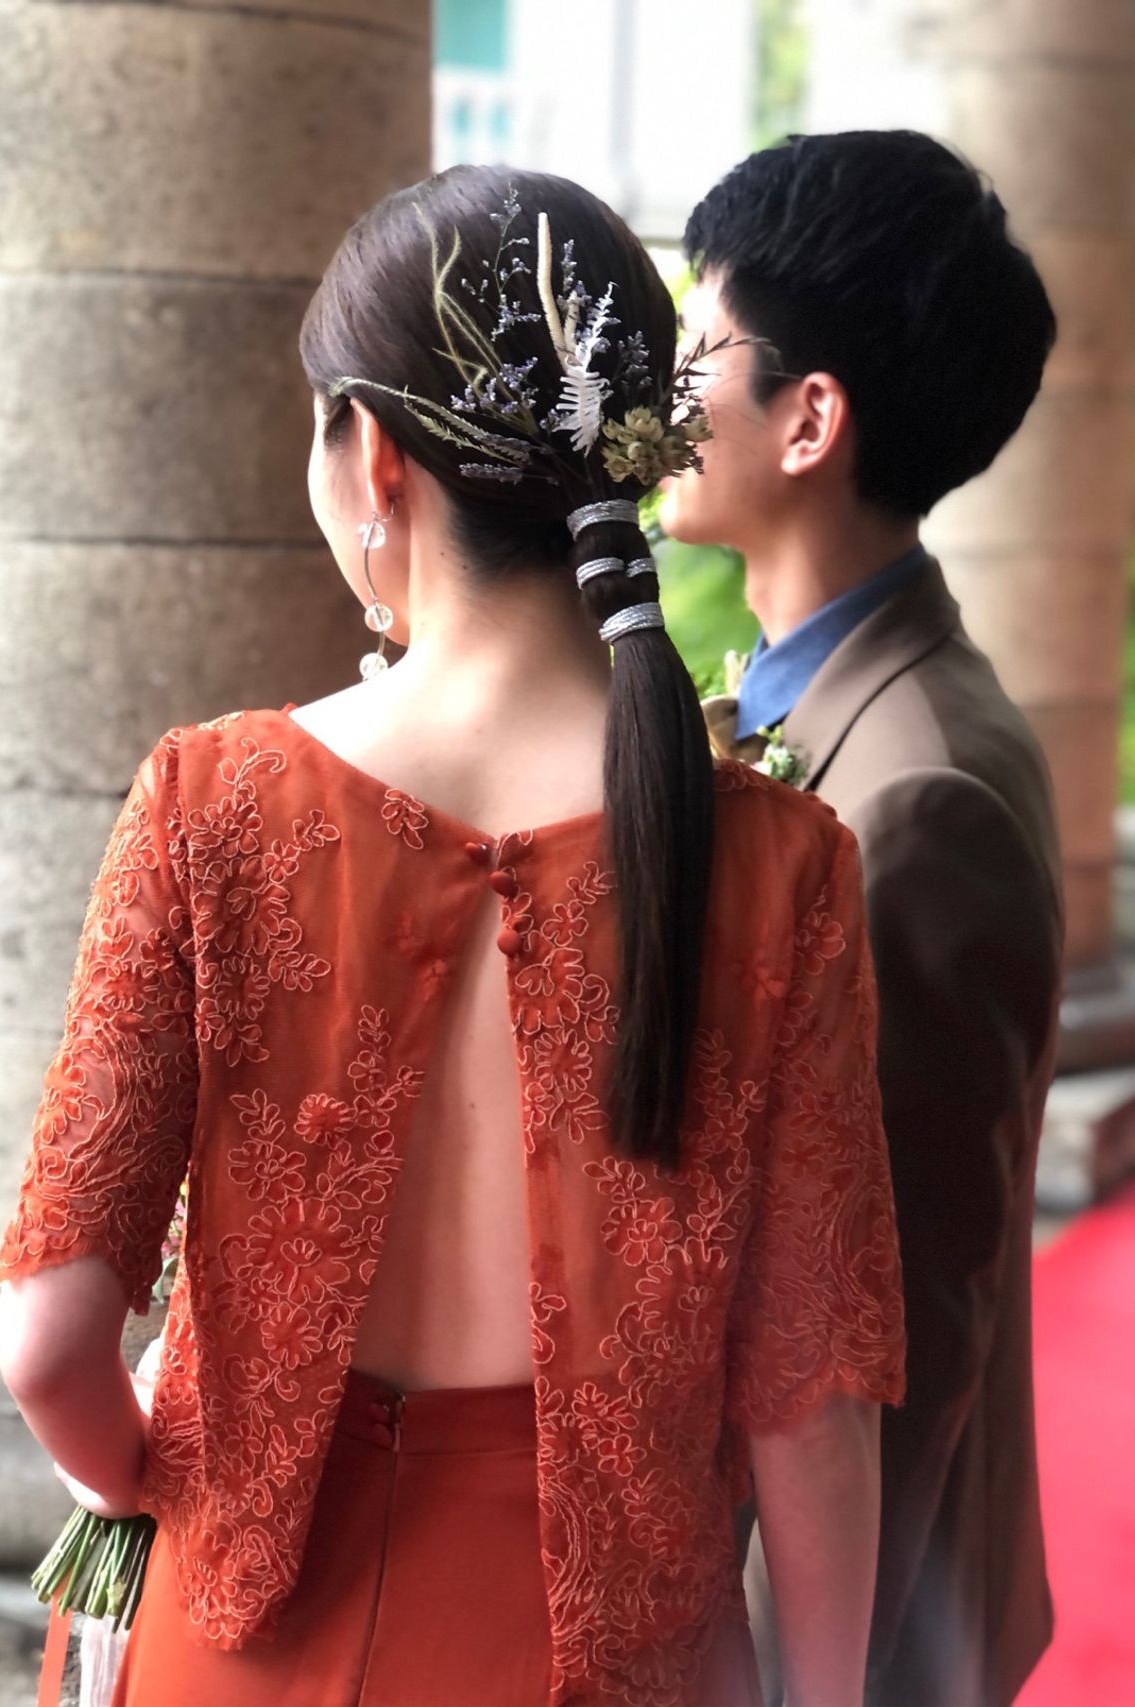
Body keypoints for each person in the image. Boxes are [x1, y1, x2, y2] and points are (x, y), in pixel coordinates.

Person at [0, 164, 904, 1707]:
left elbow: (47, 1343)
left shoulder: (211, 801)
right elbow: (812, 1408)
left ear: (375, 455)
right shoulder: (781, 863)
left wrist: (142, 1477)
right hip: (605, 1661)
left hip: (242, 1635)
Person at [664, 131, 1062, 1707]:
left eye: (698, 348)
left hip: (850, 1629)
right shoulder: (816, 704)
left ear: (810, 417)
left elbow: (895, 1336)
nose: (661, 393)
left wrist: (777, 1673)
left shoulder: (918, 800)